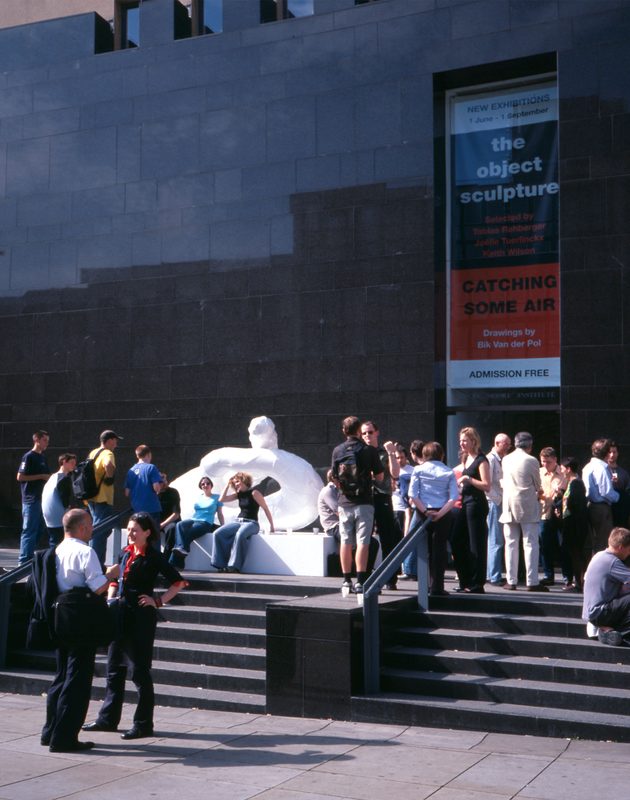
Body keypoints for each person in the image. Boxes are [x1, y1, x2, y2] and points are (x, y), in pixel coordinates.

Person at [83, 513, 186, 739]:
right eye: (129, 529)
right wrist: (111, 597)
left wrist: (157, 601)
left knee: (139, 671)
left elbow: (178, 582)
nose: (130, 533)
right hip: (120, 615)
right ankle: (107, 719)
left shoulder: (154, 557)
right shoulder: (125, 552)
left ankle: (143, 724)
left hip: (140, 619)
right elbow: (115, 580)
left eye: (135, 530)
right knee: (114, 669)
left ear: (147, 532)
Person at [41, 508, 108, 752]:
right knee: (77, 679)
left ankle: (50, 731)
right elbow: (98, 587)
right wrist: (111, 574)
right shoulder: (85, 551)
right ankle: (65, 737)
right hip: (81, 618)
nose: (92, 529)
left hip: (59, 616)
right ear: (81, 527)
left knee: (61, 675)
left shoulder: (56, 550)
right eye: (90, 524)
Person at [331, 416, 383, 594]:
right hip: (364, 501)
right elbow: (380, 477)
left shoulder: (337, 450)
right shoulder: (369, 450)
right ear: (359, 430)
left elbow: (334, 477)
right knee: (363, 542)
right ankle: (360, 581)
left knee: (345, 541)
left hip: (344, 502)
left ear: (344, 431)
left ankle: (346, 581)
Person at [408, 441, 459, 596]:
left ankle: (424, 586)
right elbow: (453, 497)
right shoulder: (448, 472)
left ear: (424, 455)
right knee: (439, 550)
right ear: (441, 455)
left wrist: (425, 511)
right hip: (442, 514)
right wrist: (440, 513)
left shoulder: (418, 470)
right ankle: (437, 586)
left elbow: (412, 495)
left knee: (424, 549)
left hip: (423, 513)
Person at [500, 431, 548, 591]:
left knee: (510, 544)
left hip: (508, 505)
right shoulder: (532, 460)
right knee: (530, 543)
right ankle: (532, 581)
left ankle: (511, 580)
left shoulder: (506, 459)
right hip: (527, 504)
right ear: (530, 445)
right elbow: (538, 484)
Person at [361, 421, 401, 590]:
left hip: (382, 496)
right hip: (365, 498)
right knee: (365, 539)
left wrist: (391, 453)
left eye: (370, 432)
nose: (367, 436)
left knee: (388, 538)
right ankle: (366, 577)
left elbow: (395, 473)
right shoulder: (360, 452)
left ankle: (390, 578)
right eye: (364, 433)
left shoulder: (384, 452)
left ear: (376, 432)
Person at [451, 427, 490, 593]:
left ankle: (477, 583)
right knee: (456, 540)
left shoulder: (482, 460)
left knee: (476, 544)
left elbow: (487, 485)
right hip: (465, 502)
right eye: (460, 440)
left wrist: (468, 479)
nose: (461, 443)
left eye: (465, 440)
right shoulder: (466, 457)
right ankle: (465, 580)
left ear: (474, 441)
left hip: (476, 504)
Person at [211, 472, 274, 573]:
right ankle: (220, 564)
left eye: (237, 482)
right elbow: (222, 499)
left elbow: (265, 508)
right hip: (238, 521)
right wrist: (228, 485)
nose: (236, 484)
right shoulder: (238, 494)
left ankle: (234, 566)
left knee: (240, 534)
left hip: (252, 523)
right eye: (234, 483)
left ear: (244, 480)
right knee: (217, 533)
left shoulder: (254, 493)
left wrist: (272, 525)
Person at [582, 526, 630, 646]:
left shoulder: (599, 555)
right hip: (600, 613)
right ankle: (618, 633)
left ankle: (607, 630)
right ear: (621, 547)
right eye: (629, 549)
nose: (629, 553)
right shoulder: (612, 562)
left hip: (592, 614)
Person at [168, 477, 225, 568]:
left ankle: (174, 562)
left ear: (211, 485)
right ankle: (181, 549)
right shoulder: (199, 497)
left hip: (206, 522)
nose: (205, 485)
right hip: (194, 519)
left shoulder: (217, 497)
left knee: (187, 536)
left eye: (207, 483)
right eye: (203, 484)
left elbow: (220, 513)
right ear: (200, 486)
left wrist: (223, 526)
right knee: (179, 524)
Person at [88, 430, 123, 567]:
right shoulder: (108, 453)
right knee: (99, 531)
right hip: (103, 497)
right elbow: (109, 465)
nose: (116, 444)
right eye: (115, 441)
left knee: (100, 529)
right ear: (109, 441)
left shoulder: (93, 453)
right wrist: (109, 478)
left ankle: (97, 562)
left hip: (91, 497)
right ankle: (94, 564)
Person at [17, 430, 51, 565]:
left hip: (42, 499)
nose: (47, 443)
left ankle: (30, 558)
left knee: (39, 529)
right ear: (37, 440)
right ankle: (24, 561)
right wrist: (41, 476)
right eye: (44, 440)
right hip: (31, 499)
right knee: (29, 529)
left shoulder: (43, 457)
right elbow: (20, 477)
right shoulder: (28, 457)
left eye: (47, 441)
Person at [582, 438, 619, 555]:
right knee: (603, 542)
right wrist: (619, 496)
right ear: (607, 453)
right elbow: (606, 492)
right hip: (601, 508)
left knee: (594, 541)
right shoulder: (602, 468)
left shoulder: (587, 466)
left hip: (590, 505)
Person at [558, 456, 589, 592]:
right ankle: (577, 582)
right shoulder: (572, 483)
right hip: (572, 522)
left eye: (562, 468)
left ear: (568, 469)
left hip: (574, 524)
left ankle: (579, 583)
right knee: (574, 553)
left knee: (576, 553)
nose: (561, 470)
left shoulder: (576, 483)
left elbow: (573, 504)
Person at [539, 446, 567, 586]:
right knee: (545, 546)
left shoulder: (563, 472)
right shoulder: (539, 472)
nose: (545, 465)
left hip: (560, 514)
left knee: (563, 544)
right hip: (544, 513)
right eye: (543, 461)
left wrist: (561, 493)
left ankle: (567, 577)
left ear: (555, 460)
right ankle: (548, 575)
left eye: (548, 462)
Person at [485, 433, 511, 586]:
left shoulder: (503, 459)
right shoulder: (490, 459)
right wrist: (498, 500)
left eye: (509, 444)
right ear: (497, 443)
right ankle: (494, 575)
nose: (508, 447)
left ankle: (492, 573)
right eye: (506, 444)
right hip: (494, 502)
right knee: (496, 539)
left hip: (500, 500)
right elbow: (487, 485)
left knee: (496, 539)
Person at [42, 453, 77, 547]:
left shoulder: (53, 477)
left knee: (54, 541)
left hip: (49, 516)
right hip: (59, 516)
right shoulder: (64, 478)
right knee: (59, 543)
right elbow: (65, 498)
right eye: (72, 463)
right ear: (64, 462)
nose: (74, 465)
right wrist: (68, 510)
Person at [124, 444, 163, 524]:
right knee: (153, 531)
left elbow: (127, 493)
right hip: (151, 509)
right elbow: (156, 488)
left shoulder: (131, 471)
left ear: (137, 456)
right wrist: (161, 481)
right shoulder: (151, 467)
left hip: (136, 510)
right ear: (149, 454)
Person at [158, 473, 181, 560]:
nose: (163, 482)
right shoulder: (153, 494)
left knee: (172, 528)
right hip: (157, 521)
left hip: (170, 521)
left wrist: (162, 524)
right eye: (160, 481)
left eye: (164, 479)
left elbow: (176, 514)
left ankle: (166, 558)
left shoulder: (173, 492)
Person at [607, 442, 630, 527]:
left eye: (614, 452)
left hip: (621, 510)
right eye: (609, 452)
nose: (612, 455)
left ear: (618, 453)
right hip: (606, 508)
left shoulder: (624, 473)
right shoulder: (602, 471)